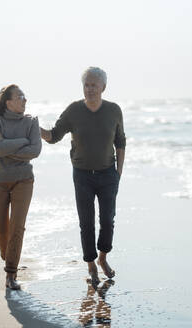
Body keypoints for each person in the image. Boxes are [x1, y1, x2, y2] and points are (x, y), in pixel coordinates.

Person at [40, 67, 126, 285]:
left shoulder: (114, 110)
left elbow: (121, 142)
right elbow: (53, 136)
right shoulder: (74, 111)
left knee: (107, 220)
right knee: (85, 222)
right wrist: (34, 127)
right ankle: (90, 264)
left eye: (94, 85)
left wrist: (118, 174)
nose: (89, 89)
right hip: (82, 175)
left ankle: (102, 258)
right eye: (86, 85)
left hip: (108, 174)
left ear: (103, 87)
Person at [0, 84, 42, 290]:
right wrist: (22, 142)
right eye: (20, 97)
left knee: (17, 226)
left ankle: (11, 274)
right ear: (8, 102)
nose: (25, 100)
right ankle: (8, 254)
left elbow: (35, 150)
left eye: (25, 96)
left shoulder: (32, 121)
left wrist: (7, 148)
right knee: (0, 227)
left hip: (23, 180)